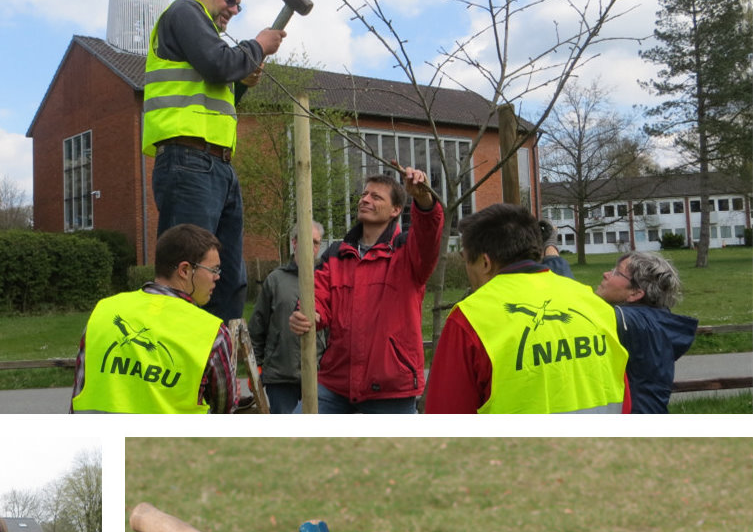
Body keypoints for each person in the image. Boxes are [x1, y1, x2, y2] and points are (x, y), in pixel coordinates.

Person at [143, 0, 286, 322]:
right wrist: (258, 46)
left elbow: (220, 86)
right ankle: (178, 358)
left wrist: (242, 82)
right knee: (187, 273)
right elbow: (218, 64)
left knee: (226, 275)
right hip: (188, 161)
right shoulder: (184, 11)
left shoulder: (207, 38)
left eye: (239, 5)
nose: (234, 10)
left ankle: (217, 356)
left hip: (218, 166)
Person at [425, 203, 631, 413]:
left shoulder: (470, 317)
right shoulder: (594, 304)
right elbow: (623, 397)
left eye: (467, 261)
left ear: (485, 262)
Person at [288, 169, 444, 413]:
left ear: (395, 210)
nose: (365, 200)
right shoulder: (337, 254)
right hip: (335, 384)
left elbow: (428, 232)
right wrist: (308, 315)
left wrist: (424, 199)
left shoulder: (407, 252)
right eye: (364, 195)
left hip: (391, 389)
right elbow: (317, 297)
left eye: (376, 197)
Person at [71, 223, 238, 413]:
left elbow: (79, 391)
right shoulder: (211, 332)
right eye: (214, 270)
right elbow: (225, 412)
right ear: (184, 270)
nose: (217, 277)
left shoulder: (104, 311)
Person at [594, 250, 698, 413]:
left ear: (635, 293)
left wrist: (553, 263)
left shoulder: (634, 322)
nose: (606, 274)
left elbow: (582, 313)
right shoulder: (655, 321)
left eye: (616, 272)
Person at [248, 221, 327, 413]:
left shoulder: (326, 279)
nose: (312, 247)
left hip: (318, 376)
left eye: (316, 242)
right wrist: (256, 367)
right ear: (294, 242)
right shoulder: (275, 280)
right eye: (307, 241)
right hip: (281, 376)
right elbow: (257, 328)